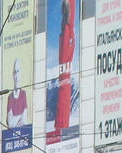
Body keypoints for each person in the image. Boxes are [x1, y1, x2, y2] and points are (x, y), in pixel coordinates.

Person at [55, 0, 75, 131]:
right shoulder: (66, 30)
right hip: (63, 80)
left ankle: (61, 124)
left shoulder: (68, 30)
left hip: (65, 81)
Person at [6, 58, 29, 128]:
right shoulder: (10, 97)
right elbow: (10, 123)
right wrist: (19, 116)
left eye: (18, 72)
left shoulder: (23, 94)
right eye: (15, 72)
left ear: (20, 73)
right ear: (13, 75)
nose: (16, 76)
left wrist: (15, 118)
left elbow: (24, 120)